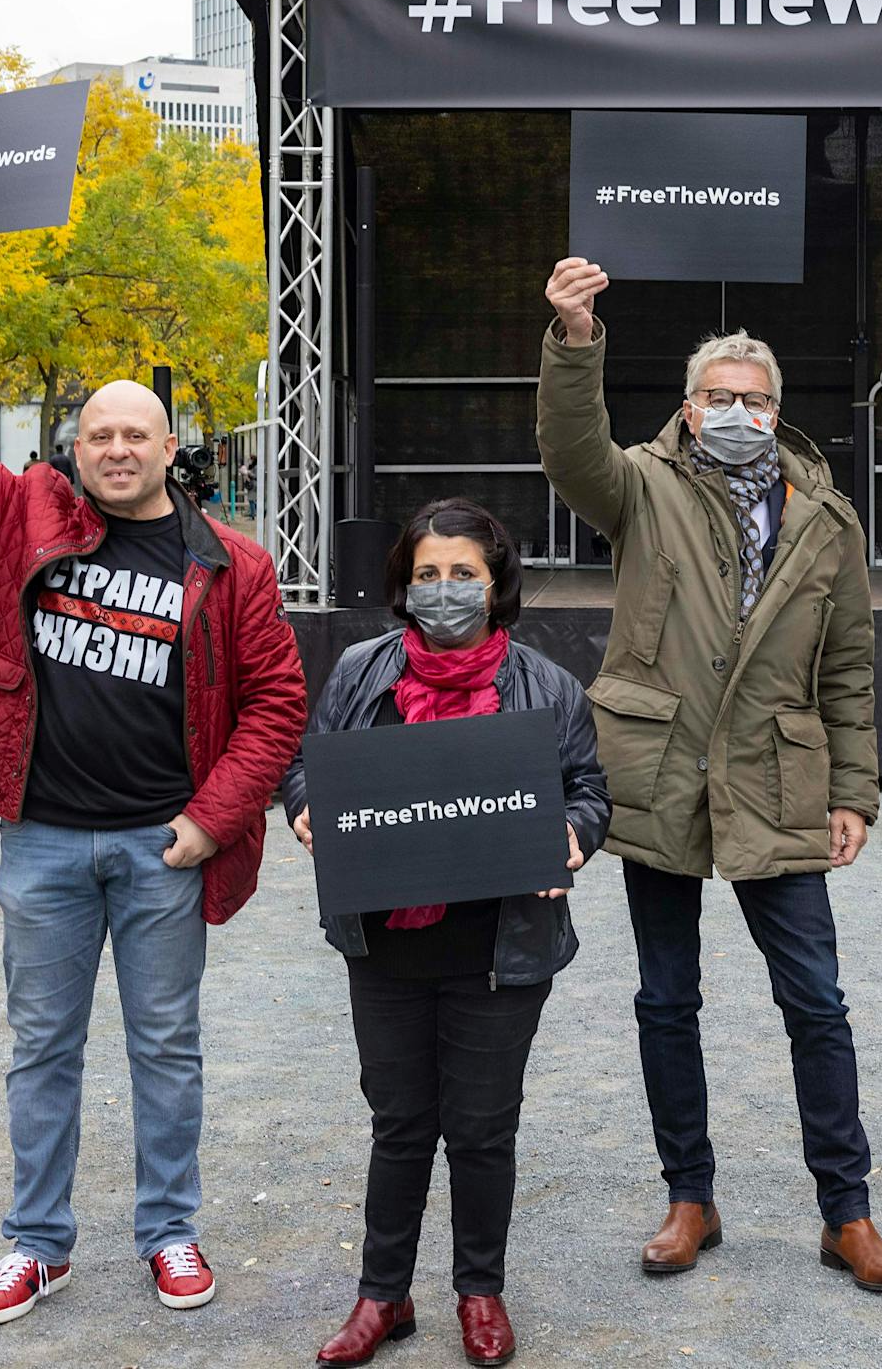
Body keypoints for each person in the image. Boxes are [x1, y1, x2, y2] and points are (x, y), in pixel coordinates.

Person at [0, 238, 308, 1326]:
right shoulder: (26, 516)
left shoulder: (230, 563)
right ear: (75, 448)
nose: (115, 448)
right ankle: (37, 1241)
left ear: (170, 447)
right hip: (45, 840)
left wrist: (210, 820)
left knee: (165, 1046)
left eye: (133, 433)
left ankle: (168, 1231)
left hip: (165, 844)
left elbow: (276, 703)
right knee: (41, 1047)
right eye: (97, 434)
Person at [535, 259, 882, 1294]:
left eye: (754, 398)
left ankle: (847, 1212)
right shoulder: (642, 486)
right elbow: (570, 453)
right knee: (665, 996)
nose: (737, 411)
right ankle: (687, 1198)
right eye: (719, 397)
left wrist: (852, 791)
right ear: (689, 407)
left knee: (816, 1003)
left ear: (776, 410)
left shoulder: (828, 520)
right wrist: (574, 341)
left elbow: (846, 665)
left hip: (778, 781)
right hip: (658, 771)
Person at [282, 500, 610, 1367]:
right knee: (397, 1124)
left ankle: (479, 1292)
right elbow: (306, 765)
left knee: (481, 1128)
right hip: (385, 942)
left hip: (501, 948)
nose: (445, 589)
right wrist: (309, 809)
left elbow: (588, 791)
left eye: (464, 573)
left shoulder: (549, 686)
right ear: (404, 584)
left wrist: (574, 834)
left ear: (496, 582)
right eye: (428, 574)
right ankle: (381, 1298)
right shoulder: (359, 670)